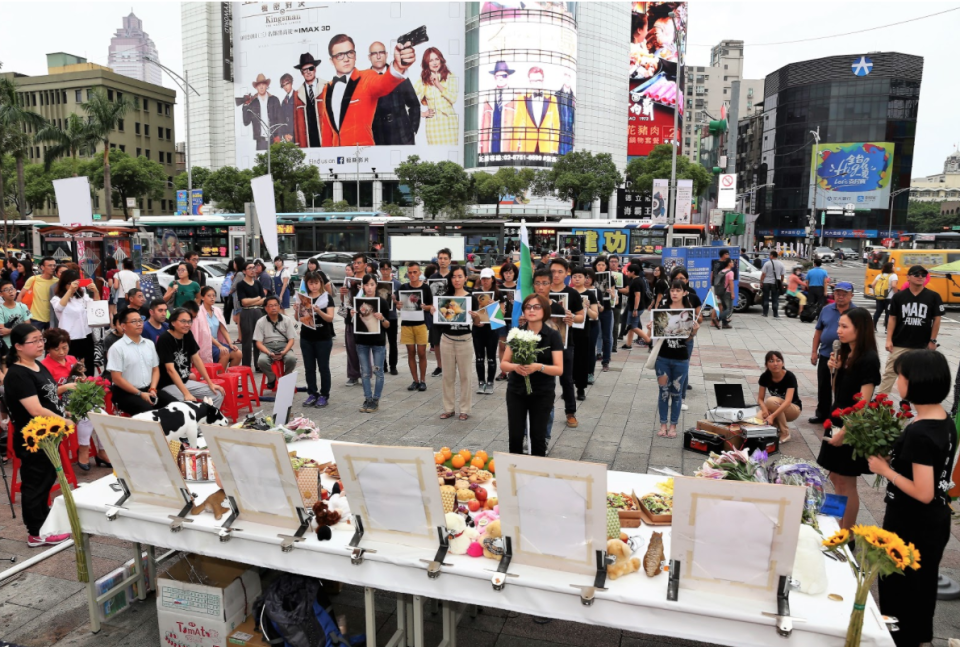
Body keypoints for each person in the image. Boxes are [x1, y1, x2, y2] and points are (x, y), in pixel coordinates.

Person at [869, 350, 954, 647]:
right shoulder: (944, 419)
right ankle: (920, 639)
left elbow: (923, 491)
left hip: (912, 523)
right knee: (922, 586)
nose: (897, 381)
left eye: (900, 375)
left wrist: (883, 469)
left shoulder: (920, 431)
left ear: (915, 382)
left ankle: (901, 640)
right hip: (933, 521)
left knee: (897, 588)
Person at [2, 324, 73, 546]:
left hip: (48, 434)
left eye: (40, 339)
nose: (41, 344)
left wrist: (63, 410)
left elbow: (47, 396)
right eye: (34, 341)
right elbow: (34, 409)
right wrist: (62, 420)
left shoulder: (36, 366)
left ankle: (45, 519)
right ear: (19, 346)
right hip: (33, 437)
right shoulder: (17, 374)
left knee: (46, 477)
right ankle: (36, 531)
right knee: (35, 481)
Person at [817, 307, 880, 529]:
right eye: (838, 326)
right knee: (834, 477)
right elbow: (839, 392)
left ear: (860, 329)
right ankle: (837, 524)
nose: (838, 331)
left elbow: (863, 403)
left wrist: (846, 432)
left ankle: (848, 534)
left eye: (844, 326)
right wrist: (833, 369)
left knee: (847, 481)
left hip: (851, 424)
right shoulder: (845, 353)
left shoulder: (868, 359)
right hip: (836, 418)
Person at [318, 34, 417, 147]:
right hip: (337, 157)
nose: (346, 59)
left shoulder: (367, 77)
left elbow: (383, 83)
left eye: (350, 53)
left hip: (364, 155)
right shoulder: (327, 88)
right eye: (340, 55)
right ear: (331, 60)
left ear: (355, 56)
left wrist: (398, 67)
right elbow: (327, 131)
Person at [502, 294, 564, 457]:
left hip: (542, 392)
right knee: (515, 436)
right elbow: (504, 363)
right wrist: (516, 367)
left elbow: (559, 369)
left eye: (536, 307)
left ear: (545, 311)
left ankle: (538, 476)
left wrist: (538, 367)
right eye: (528, 307)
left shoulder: (553, 335)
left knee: (538, 437)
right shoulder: (516, 333)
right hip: (516, 390)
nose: (531, 310)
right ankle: (513, 473)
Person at [879, 265, 943, 395]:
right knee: (890, 371)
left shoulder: (933, 296)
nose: (920, 277)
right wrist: (888, 339)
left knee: (918, 375)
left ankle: (909, 401)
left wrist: (932, 340)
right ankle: (880, 399)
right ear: (908, 277)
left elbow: (937, 319)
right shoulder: (899, 297)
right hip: (899, 342)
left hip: (922, 343)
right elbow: (892, 318)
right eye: (916, 274)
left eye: (923, 275)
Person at [107, 308, 178, 415]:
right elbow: (116, 378)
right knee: (149, 413)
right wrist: (140, 393)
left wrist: (153, 388)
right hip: (125, 393)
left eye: (140, 321)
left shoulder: (149, 344)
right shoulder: (117, 348)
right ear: (123, 326)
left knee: (176, 406)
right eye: (134, 321)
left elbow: (155, 369)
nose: (139, 324)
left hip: (149, 389)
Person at [651, 280, 699, 438]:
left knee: (677, 394)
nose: (674, 293)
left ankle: (673, 426)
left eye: (678, 290)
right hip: (663, 358)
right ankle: (663, 424)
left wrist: (693, 332)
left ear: (685, 292)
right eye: (672, 290)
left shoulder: (687, 312)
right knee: (663, 392)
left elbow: (686, 340)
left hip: (681, 358)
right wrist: (652, 329)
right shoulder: (663, 310)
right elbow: (657, 337)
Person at [156, 308, 225, 408]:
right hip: (168, 385)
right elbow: (170, 370)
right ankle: (195, 421)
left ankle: (206, 420)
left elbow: (196, 359)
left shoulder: (187, 334)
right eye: (183, 321)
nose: (187, 324)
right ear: (173, 322)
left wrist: (210, 383)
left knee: (217, 394)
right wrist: (186, 393)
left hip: (185, 381)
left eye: (189, 321)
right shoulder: (165, 339)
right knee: (187, 403)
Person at [809, 282, 854, 424]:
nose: (840, 297)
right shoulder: (826, 309)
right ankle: (822, 414)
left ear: (851, 295)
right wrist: (814, 352)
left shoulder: (856, 313)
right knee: (824, 386)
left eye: (844, 294)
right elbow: (818, 331)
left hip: (847, 357)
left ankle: (841, 415)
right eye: (837, 293)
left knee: (843, 387)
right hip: (826, 354)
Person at [549, 258, 585, 427]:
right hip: (543, 342)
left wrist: (572, 318)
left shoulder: (572, 293)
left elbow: (581, 316)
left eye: (559, 272)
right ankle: (542, 410)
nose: (555, 275)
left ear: (567, 272)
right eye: (553, 271)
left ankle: (570, 412)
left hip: (565, 342)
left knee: (566, 379)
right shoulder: (542, 291)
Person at [438, 266, 473, 420]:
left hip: (465, 340)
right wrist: (435, 312)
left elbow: (478, 322)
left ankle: (464, 409)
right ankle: (449, 408)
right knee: (447, 376)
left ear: (466, 278)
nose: (457, 279)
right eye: (454, 276)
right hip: (446, 339)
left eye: (460, 276)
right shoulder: (444, 297)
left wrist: (476, 316)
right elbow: (440, 322)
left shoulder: (471, 297)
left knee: (465, 376)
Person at [369, 40, 420, 146]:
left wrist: (412, 130)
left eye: (381, 53)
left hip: (402, 135)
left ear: (386, 55)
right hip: (377, 138)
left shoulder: (400, 74)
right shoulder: (365, 80)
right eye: (374, 54)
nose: (378, 56)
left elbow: (414, 104)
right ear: (369, 57)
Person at [351, 274, 390, 413]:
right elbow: (351, 323)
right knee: (365, 372)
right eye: (366, 285)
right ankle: (367, 398)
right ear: (362, 286)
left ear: (376, 285)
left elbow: (388, 325)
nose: (369, 288)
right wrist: (352, 316)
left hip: (378, 341)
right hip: (361, 341)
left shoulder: (382, 302)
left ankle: (375, 399)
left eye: (372, 284)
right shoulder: (357, 302)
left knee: (378, 371)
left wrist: (382, 318)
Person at [50, 269, 98, 374]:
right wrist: (70, 291)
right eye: (70, 283)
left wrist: (96, 292)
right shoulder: (56, 298)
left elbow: (96, 307)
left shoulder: (82, 296)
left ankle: (90, 386)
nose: (74, 286)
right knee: (71, 367)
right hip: (70, 337)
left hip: (86, 335)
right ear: (64, 284)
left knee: (88, 365)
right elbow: (59, 307)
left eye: (76, 282)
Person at [299, 271, 336, 408]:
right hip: (306, 337)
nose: (313, 286)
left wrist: (319, 311)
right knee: (309, 368)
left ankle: (324, 394)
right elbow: (301, 319)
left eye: (316, 283)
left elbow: (330, 318)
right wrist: (298, 310)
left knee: (323, 367)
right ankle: (312, 393)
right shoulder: (304, 298)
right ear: (307, 284)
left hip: (323, 337)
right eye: (311, 283)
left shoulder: (326, 298)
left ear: (320, 283)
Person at [414, 47, 459, 146]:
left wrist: (438, 84)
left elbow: (453, 98)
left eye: (437, 59)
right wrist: (421, 114)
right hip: (433, 126)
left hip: (449, 123)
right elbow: (405, 99)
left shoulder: (450, 76)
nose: (434, 63)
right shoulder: (423, 81)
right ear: (426, 63)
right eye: (431, 60)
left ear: (441, 60)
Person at [399, 262, 433, 392]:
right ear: (407, 274)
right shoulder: (403, 287)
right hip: (407, 324)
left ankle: (423, 380)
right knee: (411, 352)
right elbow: (397, 302)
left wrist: (426, 307)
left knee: (422, 352)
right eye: (410, 272)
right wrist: (397, 304)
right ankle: (415, 380)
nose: (412, 274)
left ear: (419, 273)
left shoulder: (425, 288)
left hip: (421, 324)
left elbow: (431, 305)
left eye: (415, 272)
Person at [756, 350, 801, 442]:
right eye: (771, 361)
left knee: (771, 401)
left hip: (793, 409)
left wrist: (772, 416)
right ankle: (775, 427)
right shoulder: (765, 377)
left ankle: (785, 433)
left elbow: (788, 401)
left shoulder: (789, 376)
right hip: (776, 405)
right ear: (766, 365)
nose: (775, 364)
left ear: (783, 363)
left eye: (778, 360)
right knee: (758, 419)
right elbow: (760, 399)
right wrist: (764, 410)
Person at [253, 296, 298, 390]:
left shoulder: (287, 320)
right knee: (261, 361)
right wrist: (269, 353)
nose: (273, 308)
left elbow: (291, 340)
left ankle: (286, 377)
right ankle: (271, 378)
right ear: (266, 308)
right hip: (268, 347)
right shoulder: (260, 322)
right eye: (270, 306)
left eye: (276, 305)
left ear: (279, 306)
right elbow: (259, 343)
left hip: (284, 346)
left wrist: (284, 352)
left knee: (291, 359)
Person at [512, 66, 560, 154]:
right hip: (527, 146)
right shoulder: (522, 99)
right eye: (533, 81)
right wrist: (514, 148)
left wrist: (554, 147)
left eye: (539, 80)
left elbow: (556, 125)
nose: (536, 84)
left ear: (543, 80)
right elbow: (517, 125)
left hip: (546, 146)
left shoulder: (552, 99)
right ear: (529, 81)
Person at [194, 287, 241, 370]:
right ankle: (220, 379)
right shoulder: (198, 312)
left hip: (216, 342)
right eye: (209, 295)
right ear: (202, 297)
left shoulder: (217, 310)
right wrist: (219, 346)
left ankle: (230, 377)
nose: (212, 298)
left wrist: (230, 343)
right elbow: (206, 333)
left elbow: (223, 329)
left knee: (238, 353)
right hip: (205, 343)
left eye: (214, 295)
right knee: (224, 353)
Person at [470, 268, 500, 395]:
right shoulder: (474, 293)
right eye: (483, 278)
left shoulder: (497, 294)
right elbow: (471, 312)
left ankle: (490, 382)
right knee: (479, 357)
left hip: (492, 329)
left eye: (488, 278)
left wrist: (494, 306)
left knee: (491, 357)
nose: (485, 281)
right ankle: (481, 382)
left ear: (492, 279)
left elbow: (502, 314)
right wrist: (476, 320)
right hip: (478, 329)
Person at [570, 266, 598, 395]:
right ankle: (568, 388)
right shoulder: (568, 292)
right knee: (569, 360)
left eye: (580, 276)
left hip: (584, 330)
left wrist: (587, 309)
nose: (577, 279)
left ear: (585, 278)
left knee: (582, 359)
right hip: (569, 330)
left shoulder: (590, 294)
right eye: (574, 276)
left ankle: (581, 388)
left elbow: (595, 315)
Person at [480, 60, 518, 154]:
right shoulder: (488, 97)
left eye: (504, 75)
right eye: (498, 76)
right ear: (494, 77)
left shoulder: (516, 96)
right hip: (491, 142)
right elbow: (483, 123)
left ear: (508, 77)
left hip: (507, 143)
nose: (500, 78)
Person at [339, 254, 366, 386]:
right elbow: (344, 301)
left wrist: (366, 290)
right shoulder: (349, 280)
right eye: (354, 263)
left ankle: (366, 373)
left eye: (359, 263)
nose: (356, 265)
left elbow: (377, 298)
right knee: (351, 346)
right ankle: (353, 375)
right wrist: (342, 293)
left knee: (365, 347)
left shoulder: (370, 280)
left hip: (366, 317)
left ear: (365, 265)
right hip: (350, 317)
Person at [235, 260, 268, 367]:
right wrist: (257, 298)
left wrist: (255, 300)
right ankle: (246, 366)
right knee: (247, 340)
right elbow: (244, 302)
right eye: (250, 268)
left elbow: (264, 299)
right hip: (246, 312)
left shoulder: (258, 283)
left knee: (259, 339)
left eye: (254, 267)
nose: (253, 270)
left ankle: (259, 365)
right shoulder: (241, 284)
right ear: (244, 271)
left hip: (258, 311)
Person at [428, 248, 454, 378]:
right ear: (437, 260)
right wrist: (430, 307)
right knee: (436, 341)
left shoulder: (454, 276)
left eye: (445, 258)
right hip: (437, 314)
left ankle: (451, 366)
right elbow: (429, 298)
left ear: (449, 260)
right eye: (440, 258)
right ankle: (439, 366)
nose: (442, 261)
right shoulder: (432, 278)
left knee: (451, 340)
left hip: (451, 313)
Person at [292, 52, 325, 148]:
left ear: (315, 69)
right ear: (301, 73)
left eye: (311, 68)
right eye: (304, 70)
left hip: (325, 137)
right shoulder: (297, 94)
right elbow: (295, 121)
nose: (308, 72)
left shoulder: (326, 87)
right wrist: (297, 143)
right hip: (307, 141)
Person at [242, 73, 282, 150]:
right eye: (258, 85)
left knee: (276, 161)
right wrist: (245, 105)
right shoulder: (253, 103)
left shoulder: (274, 100)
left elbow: (280, 119)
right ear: (256, 87)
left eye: (263, 84)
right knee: (262, 161)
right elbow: (246, 122)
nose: (261, 86)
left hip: (274, 140)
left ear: (266, 85)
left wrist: (279, 136)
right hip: (261, 142)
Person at [591, 257, 616, 372]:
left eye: (603, 265)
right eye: (599, 264)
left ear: (606, 266)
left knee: (607, 336)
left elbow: (614, 298)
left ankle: (605, 361)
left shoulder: (610, 278)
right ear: (595, 265)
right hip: (593, 309)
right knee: (592, 335)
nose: (601, 266)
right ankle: (592, 357)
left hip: (606, 309)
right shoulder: (590, 277)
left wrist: (612, 294)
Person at [18, 256, 57, 330]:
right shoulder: (33, 279)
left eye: (54, 265)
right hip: (35, 318)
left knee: (50, 341)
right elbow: (20, 296)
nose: (53, 267)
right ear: (42, 267)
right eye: (50, 265)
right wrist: (22, 315)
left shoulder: (57, 281)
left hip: (51, 319)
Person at [495, 262, 518, 381]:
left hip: (514, 320)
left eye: (510, 272)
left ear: (515, 274)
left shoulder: (518, 288)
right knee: (502, 345)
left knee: (513, 346)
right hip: (500, 320)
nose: (508, 275)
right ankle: (503, 371)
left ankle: (512, 371)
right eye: (506, 272)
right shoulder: (498, 289)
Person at [379, 262, 401, 375]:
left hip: (392, 316)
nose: (385, 271)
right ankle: (383, 365)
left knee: (393, 342)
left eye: (387, 269)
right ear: (380, 270)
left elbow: (400, 304)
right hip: (380, 316)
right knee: (381, 342)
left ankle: (393, 365)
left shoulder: (396, 284)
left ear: (391, 270)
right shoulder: (377, 283)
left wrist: (395, 300)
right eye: (383, 269)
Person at [622, 263, 649, 349]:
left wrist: (635, 309)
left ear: (633, 272)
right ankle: (628, 344)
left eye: (628, 271)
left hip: (635, 307)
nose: (627, 273)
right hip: (636, 307)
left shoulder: (636, 282)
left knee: (633, 327)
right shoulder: (638, 280)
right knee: (631, 326)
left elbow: (637, 296)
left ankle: (649, 341)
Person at [0, 280, 30, 347]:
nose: (10, 291)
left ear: (15, 290)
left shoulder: (23, 306)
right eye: (6, 290)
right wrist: (21, 329)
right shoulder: (1, 310)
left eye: (11, 288)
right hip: (7, 345)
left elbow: (28, 326)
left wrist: (10, 330)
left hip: (22, 343)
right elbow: (2, 331)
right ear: (1, 294)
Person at [871, 261, 898, 331]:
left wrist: (877, 291)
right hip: (889, 297)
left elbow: (873, 285)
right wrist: (897, 294)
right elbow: (894, 285)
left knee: (878, 311)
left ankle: (873, 327)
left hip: (879, 296)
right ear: (890, 268)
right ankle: (887, 328)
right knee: (888, 313)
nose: (894, 267)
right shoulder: (893, 275)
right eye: (893, 266)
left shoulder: (880, 275)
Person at [760, 250, 785, 318]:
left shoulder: (767, 263)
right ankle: (775, 314)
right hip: (775, 283)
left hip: (766, 282)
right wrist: (780, 282)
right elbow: (782, 275)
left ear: (772, 256)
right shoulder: (781, 264)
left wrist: (761, 282)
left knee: (766, 298)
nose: (769, 256)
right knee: (775, 298)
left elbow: (763, 274)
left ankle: (765, 313)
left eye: (769, 255)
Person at [277, 73, 296, 143]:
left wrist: (293, 134)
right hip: (288, 138)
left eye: (287, 84)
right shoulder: (284, 102)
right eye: (283, 85)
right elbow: (282, 120)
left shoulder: (297, 97)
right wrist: (285, 134)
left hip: (297, 136)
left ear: (291, 82)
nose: (285, 87)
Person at [220, 258, 237, 324]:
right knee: (233, 308)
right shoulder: (233, 274)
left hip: (226, 293)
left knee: (227, 309)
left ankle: (225, 321)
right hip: (231, 293)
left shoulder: (228, 273)